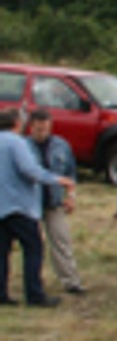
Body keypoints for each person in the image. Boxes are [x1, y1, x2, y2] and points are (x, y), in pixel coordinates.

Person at [0, 106, 75, 308]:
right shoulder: (17, 143)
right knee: (33, 248)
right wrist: (57, 180)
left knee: (3, 251)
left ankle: (2, 293)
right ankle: (34, 294)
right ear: (18, 123)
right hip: (19, 206)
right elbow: (29, 169)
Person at [27, 108, 84, 294]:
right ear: (31, 127)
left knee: (61, 241)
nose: (42, 133)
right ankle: (34, 281)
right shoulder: (23, 147)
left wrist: (71, 196)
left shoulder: (61, 146)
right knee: (33, 245)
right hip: (30, 203)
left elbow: (70, 174)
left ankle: (71, 280)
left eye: (45, 129)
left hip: (54, 201)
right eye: (38, 129)